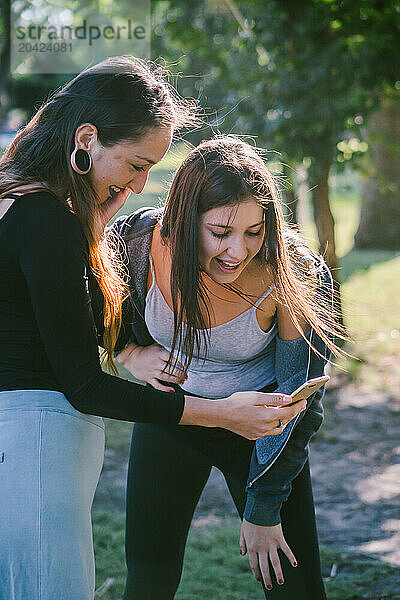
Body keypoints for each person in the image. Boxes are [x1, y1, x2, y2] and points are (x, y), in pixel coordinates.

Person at [0, 59, 306, 600]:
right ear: (87, 138)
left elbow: (65, 312)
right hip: (40, 443)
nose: (141, 185)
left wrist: (126, 343)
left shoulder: (24, 202)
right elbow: (83, 377)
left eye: (151, 170)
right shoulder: (61, 224)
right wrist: (210, 407)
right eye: (137, 164)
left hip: (33, 442)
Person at [109, 136, 344, 599]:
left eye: (254, 232)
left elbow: (301, 396)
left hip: (263, 433)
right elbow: (98, 309)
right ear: (182, 219)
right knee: (147, 583)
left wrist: (263, 506)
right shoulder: (137, 243)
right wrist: (130, 353)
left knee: (296, 588)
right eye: (220, 232)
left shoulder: (291, 273)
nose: (238, 251)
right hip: (172, 419)